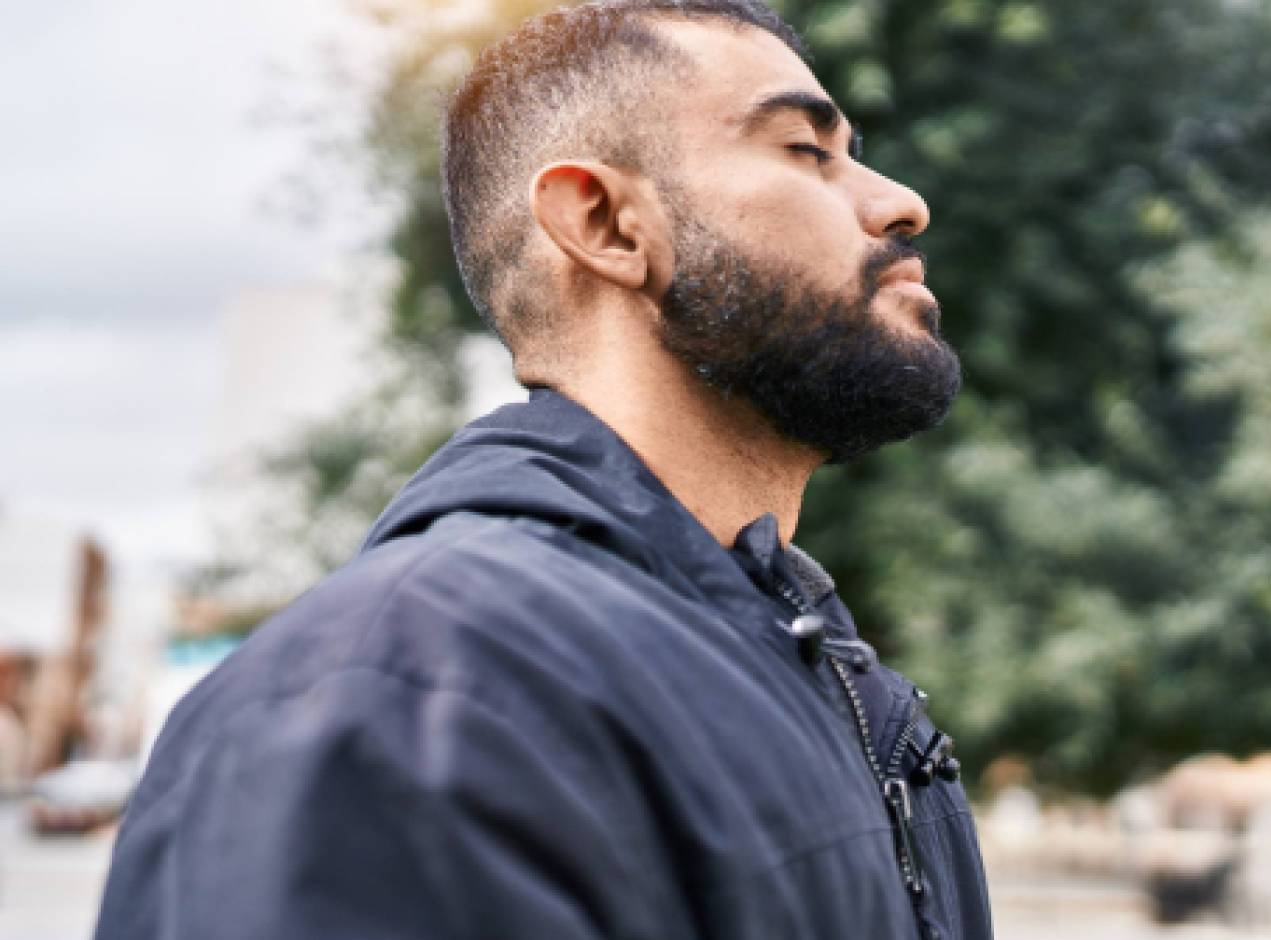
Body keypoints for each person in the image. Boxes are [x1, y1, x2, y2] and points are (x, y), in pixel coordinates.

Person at [94, 1, 991, 937]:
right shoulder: (414, 698)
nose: (899, 201)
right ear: (606, 224)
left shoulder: (821, 675)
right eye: (807, 150)